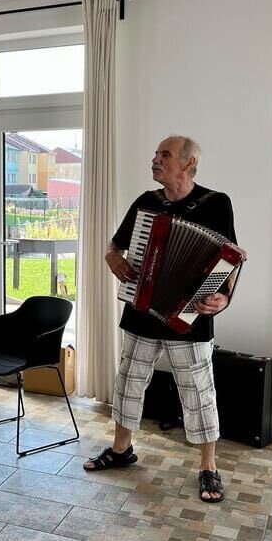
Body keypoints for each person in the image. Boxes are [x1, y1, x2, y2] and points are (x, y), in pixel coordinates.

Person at [84, 135, 239, 503]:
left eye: (164, 155)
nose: (155, 160)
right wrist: (113, 258)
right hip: (142, 312)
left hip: (190, 317)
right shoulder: (146, 202)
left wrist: (224, 298)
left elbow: (230, 259)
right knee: (129, 382)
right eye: (155, 154)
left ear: (188, 163)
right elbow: (114, 246)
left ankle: (208, 466)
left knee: (198, 392)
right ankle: (121, 449)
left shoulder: (216, 203)